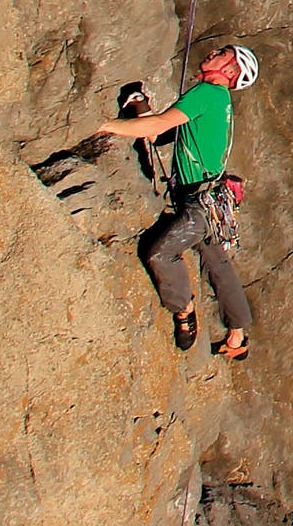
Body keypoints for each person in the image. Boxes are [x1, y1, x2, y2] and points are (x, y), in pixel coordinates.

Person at [92, 42, 258, 358]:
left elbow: (157, 127)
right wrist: (140, 106)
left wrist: (104, 126)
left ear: (229, 70)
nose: (213, 52)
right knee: (219, 267)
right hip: (210, 203)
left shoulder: (206, 94)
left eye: (222, 53)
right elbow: (160, 134)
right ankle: (236, 336)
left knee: (160, 253)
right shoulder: (217, 100)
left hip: (198, 205)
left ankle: (184, 310)